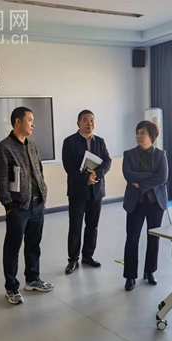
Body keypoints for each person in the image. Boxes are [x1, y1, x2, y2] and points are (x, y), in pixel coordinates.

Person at [0, 107, 54, 305]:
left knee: (34, 244)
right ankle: (11, 287)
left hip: (37, 203)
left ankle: (33, 279)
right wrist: (8, 205)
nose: (33, 124)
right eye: (30, 120)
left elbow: (39, 172)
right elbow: (1, 180)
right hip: (18, 207)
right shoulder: (4, 148)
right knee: (13, 247)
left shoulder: (32, 146)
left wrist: (43, 193)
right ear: (17, 122)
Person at [62, 110, 112, 274]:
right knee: (75, 226)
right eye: (85, 120)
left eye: (92, 120)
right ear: (78, 123)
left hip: (96, 190)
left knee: (92, 226)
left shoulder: (100, 141)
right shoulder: (69, 142)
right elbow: (68, 166)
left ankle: (88, 256)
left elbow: (107, 161)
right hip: (78, 191)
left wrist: (97, 174)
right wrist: (85, 178)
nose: (89, 123)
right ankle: (73, 260)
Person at [122, 121, 168, 291]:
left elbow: (162, 177)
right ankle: (130, 276)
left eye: (143, 133)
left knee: (153, 238)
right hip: (135, 202)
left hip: (155, 203)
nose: (139, 136)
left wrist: (141, 183)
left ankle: (149, 271)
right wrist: (150, 176)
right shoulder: (129, 154)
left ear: (152, 137)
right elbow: (128, 175)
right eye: (137, 133)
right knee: (132, 239)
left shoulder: (161, 155)